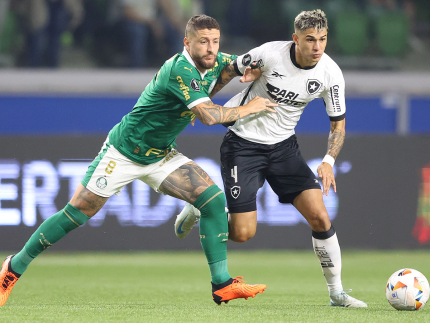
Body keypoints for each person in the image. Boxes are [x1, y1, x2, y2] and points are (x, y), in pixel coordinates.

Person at [0, 14, 278, 307]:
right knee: (77, 213)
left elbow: (235, 66)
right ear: (187, 42)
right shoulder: (179, 69)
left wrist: (252, 70)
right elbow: (209, 117)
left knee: (211, 201)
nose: (211, 48)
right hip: (124, 152)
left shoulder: (213, 60)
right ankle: (13, 268)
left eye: (215, 41)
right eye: (203, 42)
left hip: (160, 154)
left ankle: (221, 284)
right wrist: (249, 107)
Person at [174, 9, 368, 308]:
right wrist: (205, 102)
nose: (317, 47)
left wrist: (329, 159)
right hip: (243, 145)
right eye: (310, 40)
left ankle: (337, 293)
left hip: (283, 149)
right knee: (242, 233)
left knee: (320, 216)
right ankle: (202, 213)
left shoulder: (330, 74)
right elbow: (230, 69)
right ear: (296, 39)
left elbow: (337, 125)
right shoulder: (268, 54)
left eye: (323, 39)